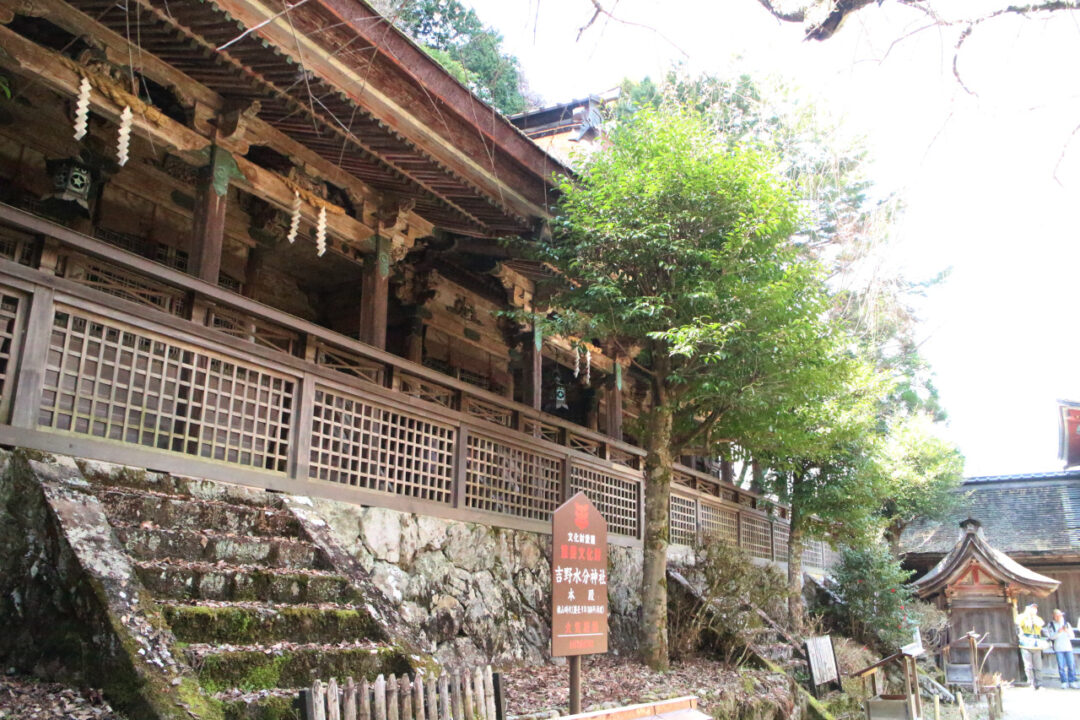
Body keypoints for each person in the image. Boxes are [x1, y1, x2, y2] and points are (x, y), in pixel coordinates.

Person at [1017, 603, 1047, 689]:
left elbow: (1041, 624)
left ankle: (1039, 683)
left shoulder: (1038, 618)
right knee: (1028, 666)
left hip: (1036, 644)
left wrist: (1033, 618)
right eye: (1032, 608)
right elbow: (1018, 622)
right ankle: (1031, 683)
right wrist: (1026, 615)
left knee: (1038, 666)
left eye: (1035, 608)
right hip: (1026, 644)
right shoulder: (1022, 617)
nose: (1034, 610)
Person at [1047, 609, 1078, 689]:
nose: (1059, 617)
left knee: (1071, 665)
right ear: (1054, 616)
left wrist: (1067, 631)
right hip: (1058, 648)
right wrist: (1059, 632)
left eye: (1060, 615)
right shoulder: (1051, 625)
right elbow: (1051, 637)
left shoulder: (1066, 624)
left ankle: (1072, 681)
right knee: (1061, 666)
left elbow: (1072, 636)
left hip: (1068, 647)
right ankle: (1064, 682)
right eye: (1057, 616)